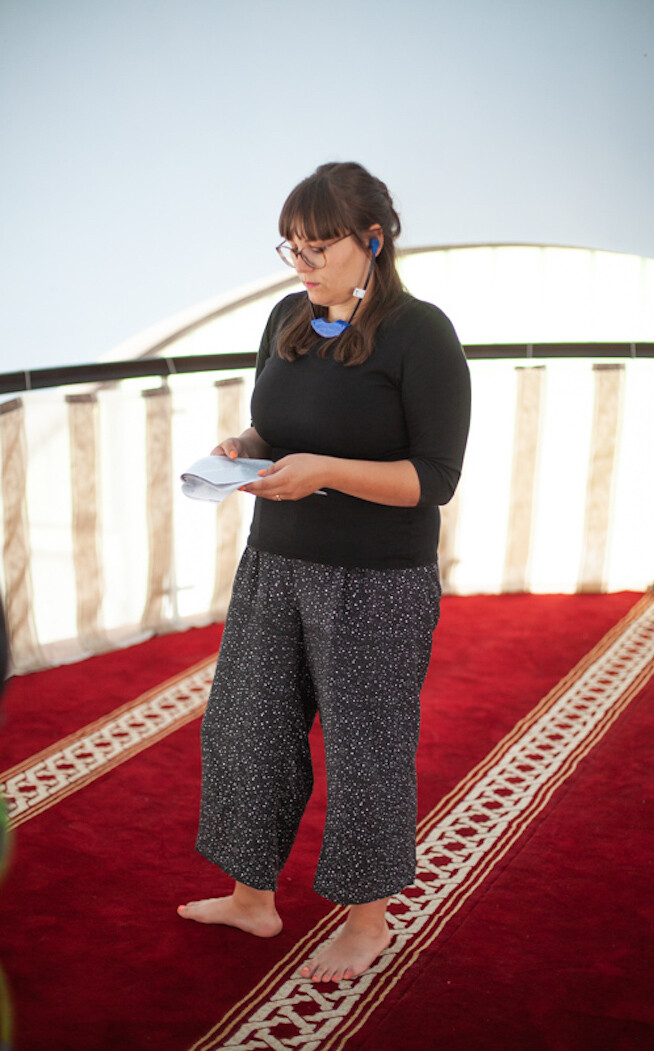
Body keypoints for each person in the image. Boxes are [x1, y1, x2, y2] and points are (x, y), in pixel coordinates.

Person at [178, 161, 471, 984]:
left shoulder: (422, 333)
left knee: (366, 749)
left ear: (371, 241)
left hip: (375, 581)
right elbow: (276, 426)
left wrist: (326, 472)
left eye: (318, 247)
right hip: (273, 563)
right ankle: (252, 897)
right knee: (247, 729)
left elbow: (434, 478)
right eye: (292, 247)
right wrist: (245, 447)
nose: (301, 264)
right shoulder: (287, 318)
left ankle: (368, 922)